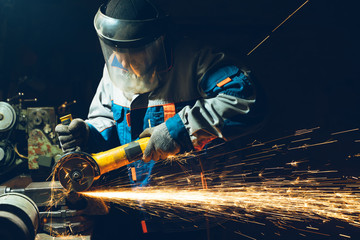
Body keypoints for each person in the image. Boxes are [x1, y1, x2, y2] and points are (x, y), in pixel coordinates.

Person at [55, 0, 266, 238]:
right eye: (116, 51)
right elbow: (106, 120)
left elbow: (247, 100)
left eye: (133, 51)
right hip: (143, 213)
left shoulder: (196, 61)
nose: (122, 63)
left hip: (199, 217)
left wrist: (179, 130)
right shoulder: (114, 67)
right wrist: (88, 132)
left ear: (158, 42)